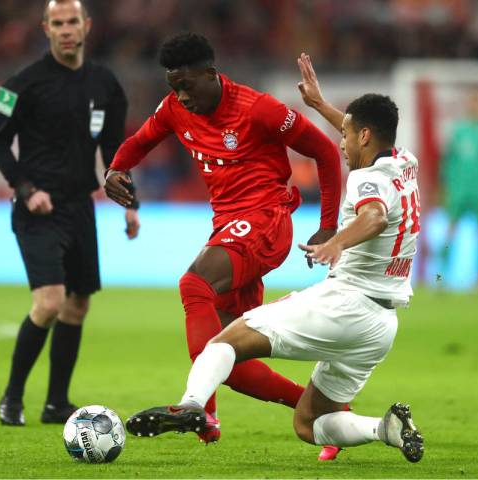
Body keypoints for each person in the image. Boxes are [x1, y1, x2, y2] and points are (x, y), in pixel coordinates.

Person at [124, 54, 424, 464]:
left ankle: (194, 406)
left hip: (345, 303)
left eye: (347, 136)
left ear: (366, 136)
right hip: (381, 326)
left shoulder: (367, 179)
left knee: (222, 342)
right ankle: (383, 428)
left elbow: (373, 216)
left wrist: (337, 241)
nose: (341, 142)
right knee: (309, 422)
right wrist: (319, 105)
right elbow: (357, 137)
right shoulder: (404, 164)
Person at [103, 33, 343, 449]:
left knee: (193, 283)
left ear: (211, 75)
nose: (182, 96)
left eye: (188, 85)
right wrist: (115, 169)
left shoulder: (258, 109)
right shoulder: (176, 108)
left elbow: (324, 150)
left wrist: (327, 225)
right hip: (229, 229)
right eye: (173, 87)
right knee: (228, 358)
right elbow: (140, 142)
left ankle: (200, 409)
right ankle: (328, 413)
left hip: (266, 221)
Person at [0, 0, 139, 426]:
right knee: (50, 302)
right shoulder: (22, 84)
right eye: (58, 23)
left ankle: (56, 403)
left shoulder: (106, 84)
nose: (66, 29)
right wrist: (25, 188)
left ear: (86, 26)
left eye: (73, 21)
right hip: (37, 208)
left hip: (79, 207)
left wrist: (130, 203)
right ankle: (12, 399)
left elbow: (114, 151)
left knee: (77, 306)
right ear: (46, 29)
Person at [441, 86, 478, 283]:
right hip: (459, 188)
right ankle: (441, 275)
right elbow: (449, 161)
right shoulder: (459, 131)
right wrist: (446, 186)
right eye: (472, 102)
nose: (475, 106)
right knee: (450, 231)